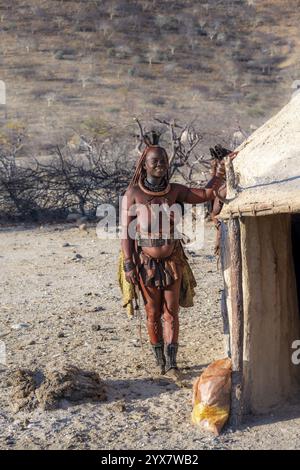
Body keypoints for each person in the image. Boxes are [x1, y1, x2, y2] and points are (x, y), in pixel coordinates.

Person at [120, 142, 226, 380]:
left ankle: (172, 363)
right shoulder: (133, 194)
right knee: (152, 312)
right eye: (154, 161)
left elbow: (206, 194)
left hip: (172, 260)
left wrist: (218, 172)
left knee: (171, 312)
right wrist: (128, 263)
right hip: (145, 263)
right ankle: (159, 362)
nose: (160, 164)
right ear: (144, 165)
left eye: (163, 160)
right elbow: (126, 231)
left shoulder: (175, 191)